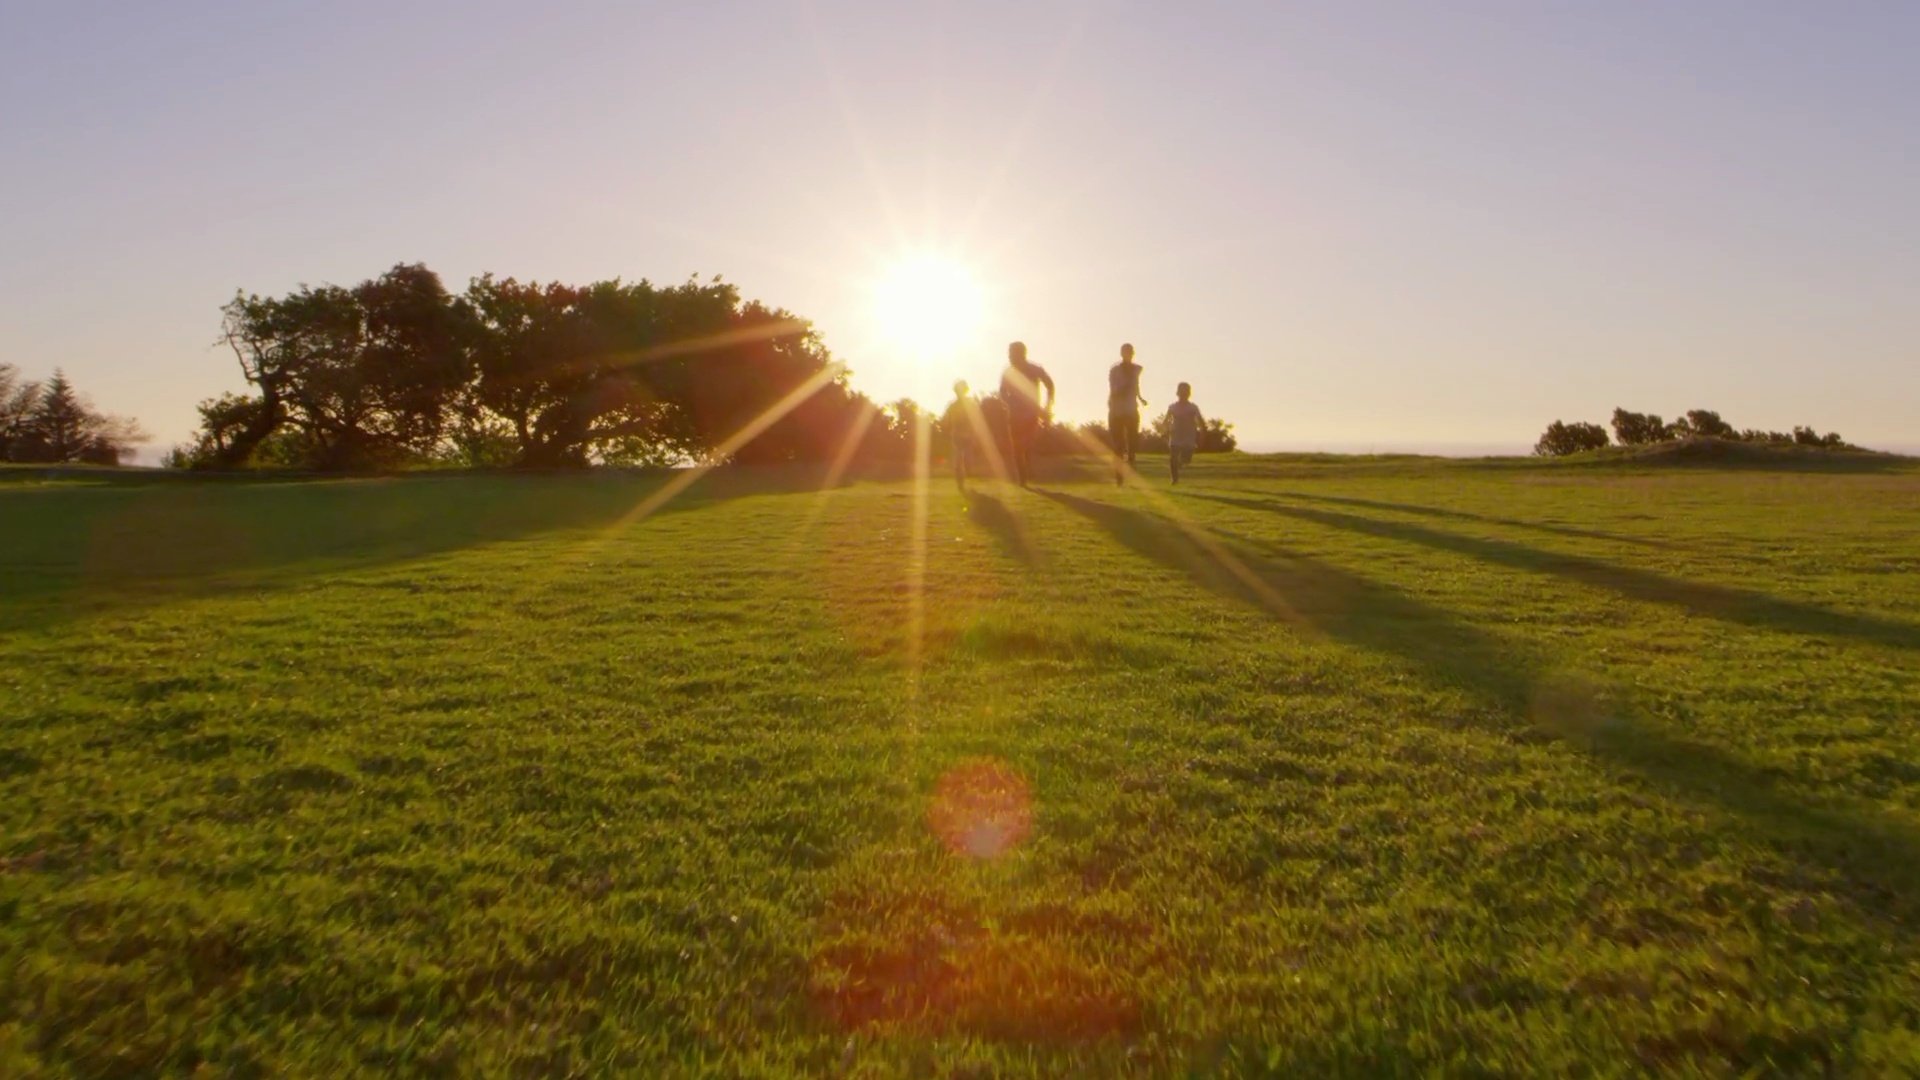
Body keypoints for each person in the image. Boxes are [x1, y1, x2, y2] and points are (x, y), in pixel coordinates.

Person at [998, 341, 1054, 487]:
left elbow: (1050, 385)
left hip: (1031, 413)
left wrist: (1047, 406)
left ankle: (1026, 470)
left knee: (1025, 444)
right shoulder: (1008, 372)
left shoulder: (1035, 369)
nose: (1009, 356)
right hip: (1014, 414)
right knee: (1017, 447)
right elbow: (1002, 392)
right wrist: (1008, 402)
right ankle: (1023, 477)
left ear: (1022, 354)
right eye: (1009, 353)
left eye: (1012, 353)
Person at [1107, 343, 1148, 486]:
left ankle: (1131, 461)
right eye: (1126, 352)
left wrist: (1141, 398)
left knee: (1132, 442)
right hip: (1117, 410)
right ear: (1121, 353)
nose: (1128, 354)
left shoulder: (1137, 369)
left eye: (1130, 352)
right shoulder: (1114, 370)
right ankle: (1119, 477)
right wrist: (1125, 388)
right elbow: (1114, 390)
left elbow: (1136, 387)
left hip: (1131, 409)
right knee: (1118, 445)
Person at [1164, 381, 1205, 485]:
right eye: (1181, 392)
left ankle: (1180, 464)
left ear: (1189, 394)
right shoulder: (1172, 407)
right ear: (1177, 393)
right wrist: (1165, 430)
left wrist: (1203, 431)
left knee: (1186, 459)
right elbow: (1166, 420)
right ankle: (1174, 479)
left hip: (1189, 437)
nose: (1183, 394)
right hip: (1175, 435)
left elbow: (1200, 420)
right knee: (1173, 458)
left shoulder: (1193, 407)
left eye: (1186, 392)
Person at [942, 379, 977, 490]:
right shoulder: (954, 405)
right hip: (957, 434)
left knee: (965, 457)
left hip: (966, 434)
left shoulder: (969, 403)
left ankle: (966, 472)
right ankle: (960, 483)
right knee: (958, 459)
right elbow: (947, 419)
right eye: (958, 390)